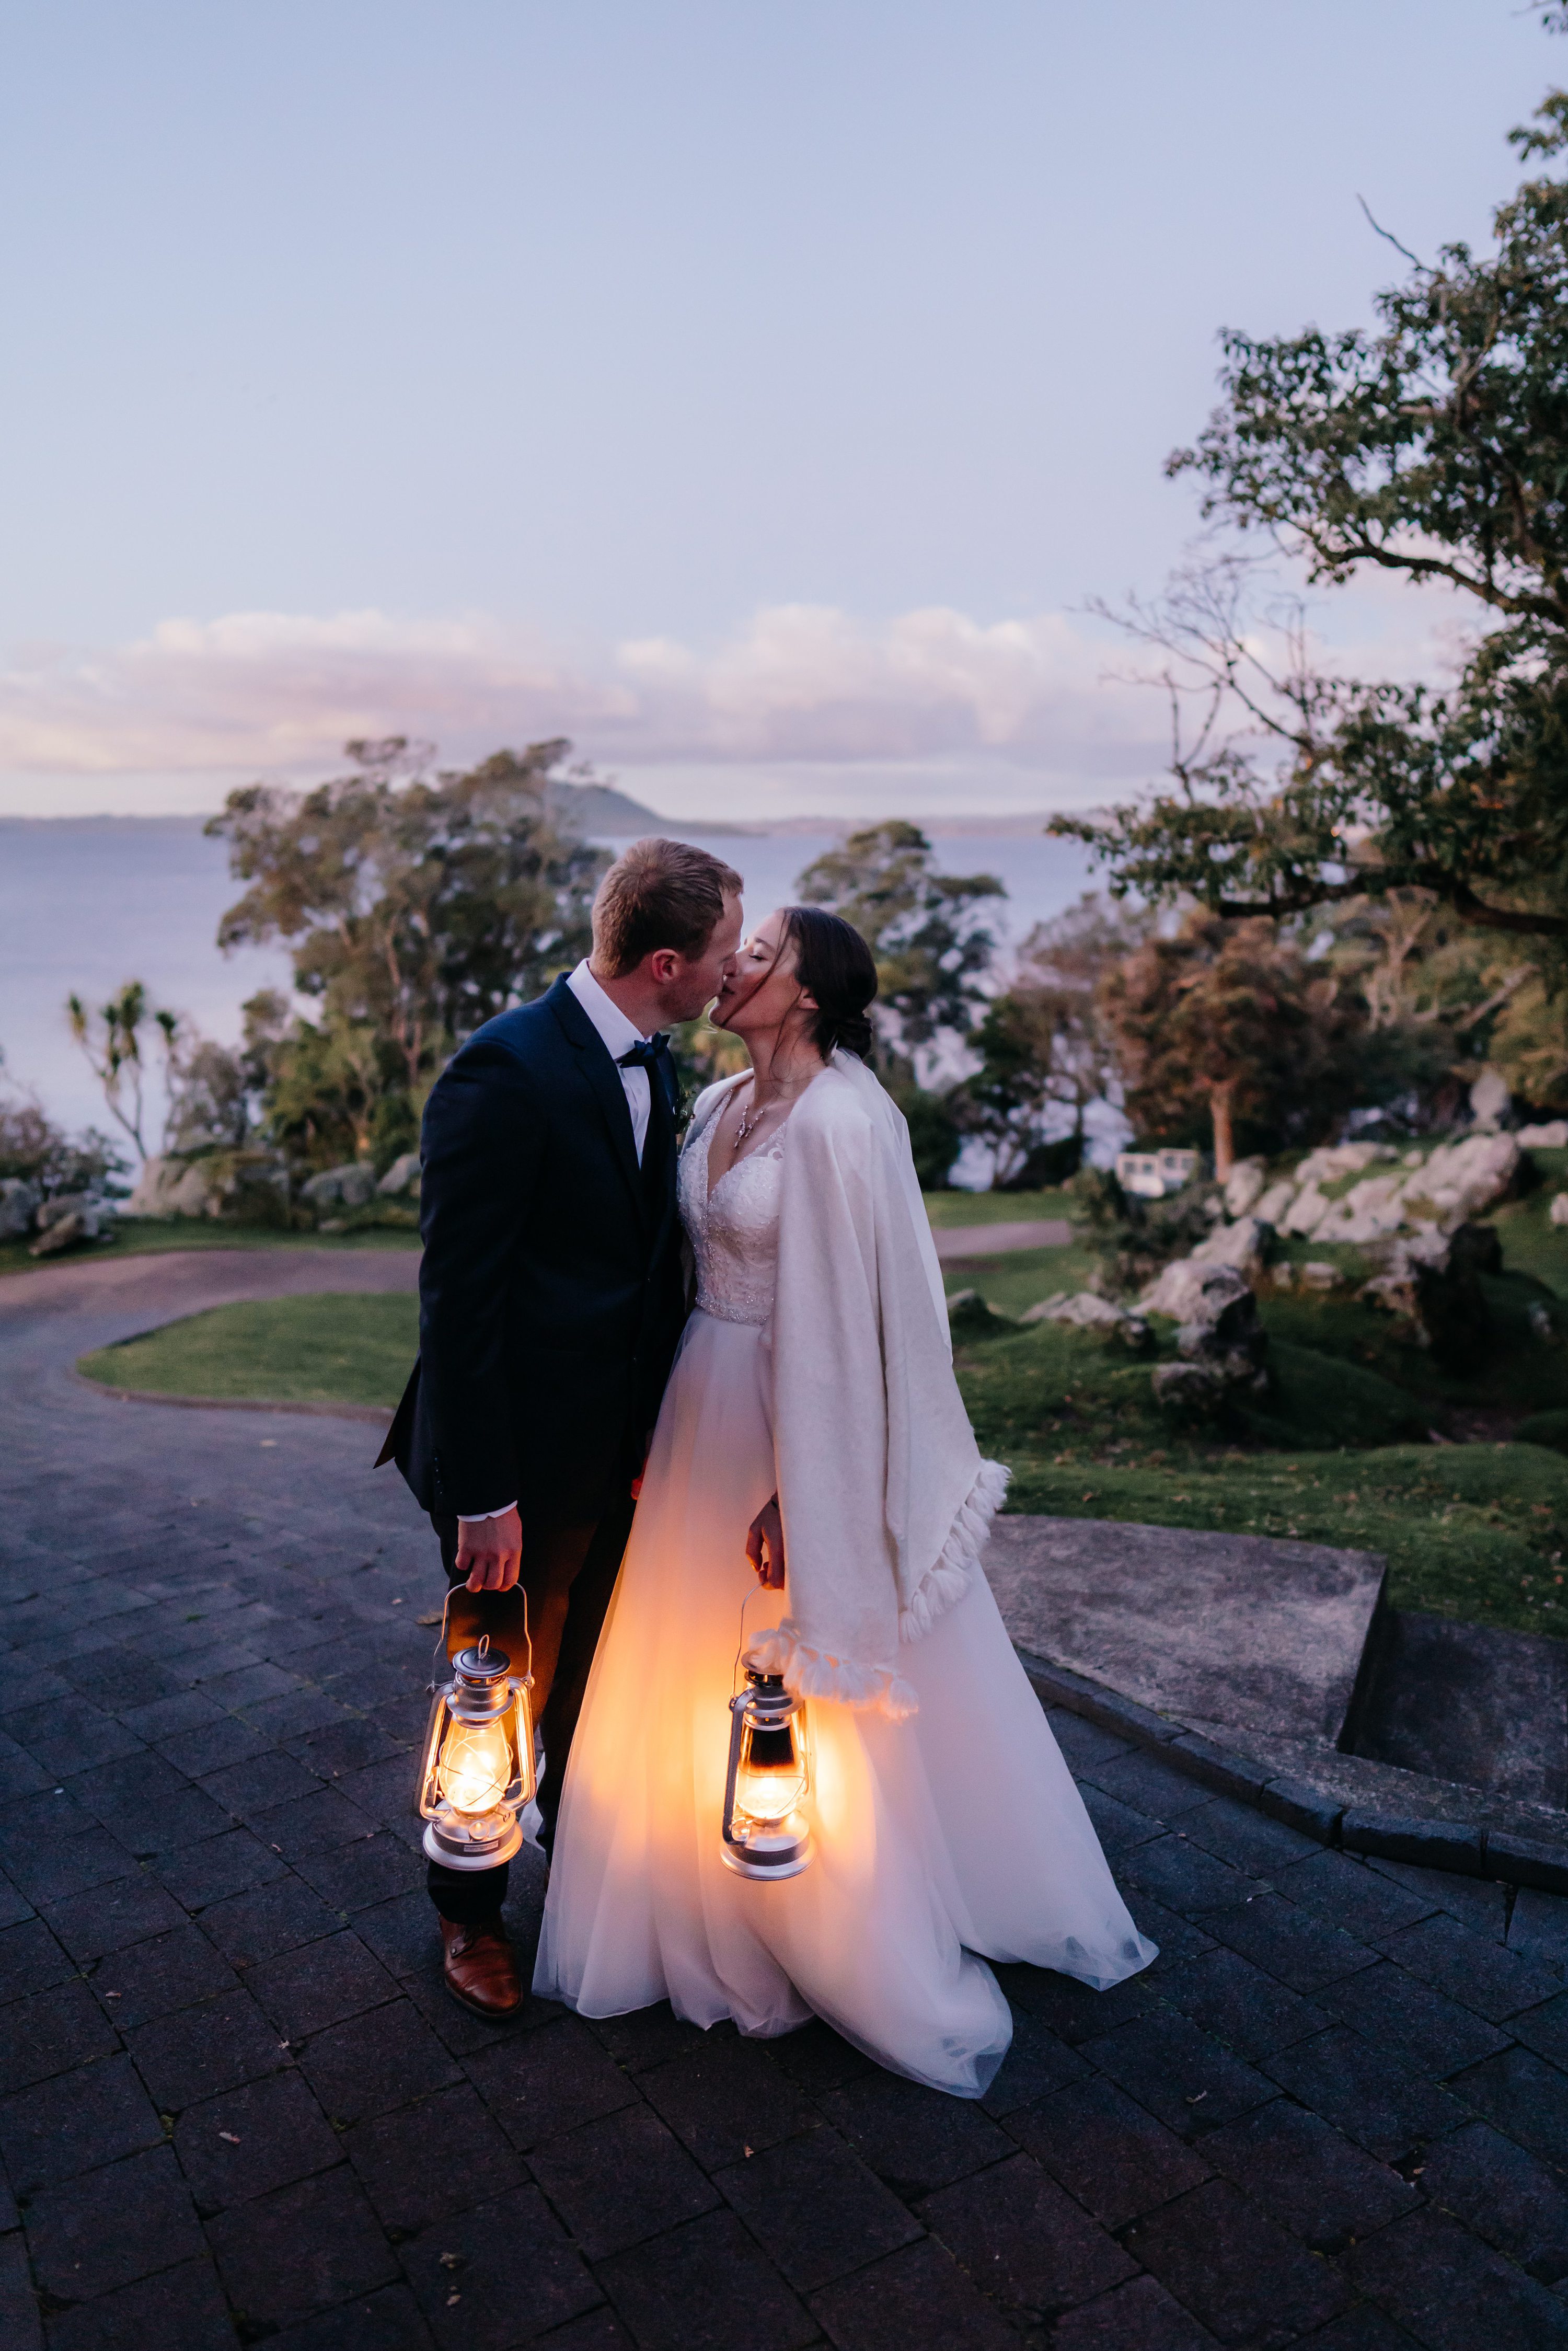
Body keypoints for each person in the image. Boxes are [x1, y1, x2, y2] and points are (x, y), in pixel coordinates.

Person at [534, 905, 1156, 2097]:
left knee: (790, 1673)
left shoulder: (847, 1120)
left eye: (759, 954)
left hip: (789, 1432)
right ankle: (682, 1889)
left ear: (810, 992)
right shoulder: (715, 1105)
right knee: (677, 1656)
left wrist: (805, 1484)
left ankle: (830, 1914)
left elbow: (879, 1323)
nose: (736, 967)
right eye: (737, 949)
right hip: (692, 1413)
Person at [379, 836, 744, 2019]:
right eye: (727, 955)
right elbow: (460, 1298)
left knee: (587, 1682)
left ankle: (587, 1884)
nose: (734, 976)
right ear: (668, 960)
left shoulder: (651, 1053)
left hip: (618, 1451)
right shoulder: (503, 1071)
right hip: (516, 1470)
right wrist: (486, 1492)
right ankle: (466, 1914)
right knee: (492, 1687)